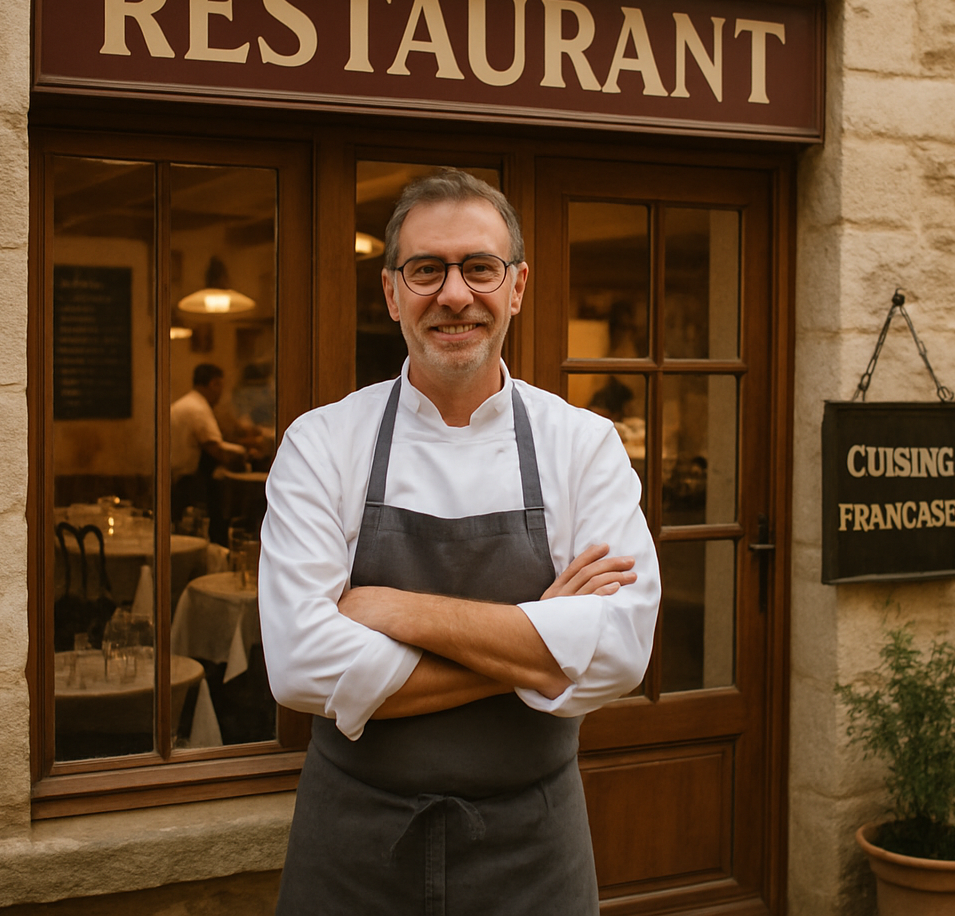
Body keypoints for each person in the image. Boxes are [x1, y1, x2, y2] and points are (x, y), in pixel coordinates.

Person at [258, 169, 661, 915]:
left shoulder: (583, 446)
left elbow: (619, 652)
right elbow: (300, 666)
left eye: (479, 267)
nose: (453, 295)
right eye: (426, 270)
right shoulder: (321, 443)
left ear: (516, 287)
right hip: (354, 842)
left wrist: (399, 612)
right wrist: (539, 640)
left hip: (533, 845)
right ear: (390, 293)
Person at [170, 363, 245, 535]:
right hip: (188, 486)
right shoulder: (197, 408)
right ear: (214, 384)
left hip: (177, 481)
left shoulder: (186, 403)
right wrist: (243, 455)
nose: (221, 392)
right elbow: (216, 449)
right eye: (220, 386)